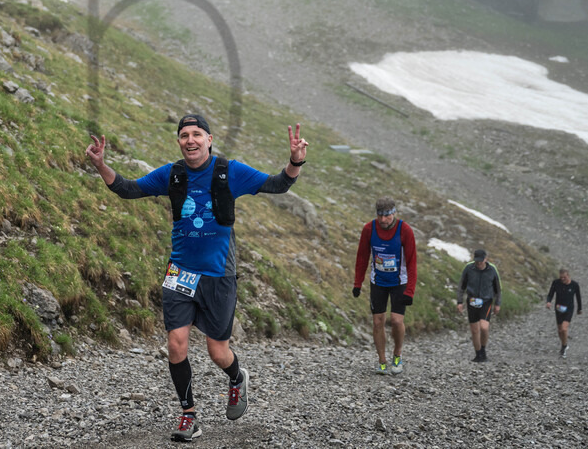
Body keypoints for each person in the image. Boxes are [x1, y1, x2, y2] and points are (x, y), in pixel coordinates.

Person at [86, 114, 308, 442]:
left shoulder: (229, 171)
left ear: (209, 139)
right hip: (180, 273)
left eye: (197, 134)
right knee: (176, 344)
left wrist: (295, 160)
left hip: (219, 275)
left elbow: (278, 184)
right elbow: (128, 189)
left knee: (218, 352)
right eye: (184, 135)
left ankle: (236, 377)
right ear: (179, 141)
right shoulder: (172, 175)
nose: (190, 140)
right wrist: (101, 164)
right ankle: (189, 415)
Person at [352, 196, 417, 375]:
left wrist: (410, 291)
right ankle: (382, 361)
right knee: (377, 321)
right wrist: (358, 283)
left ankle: (397, 354)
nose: (383, 220)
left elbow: (412, 263)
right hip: (378, 281)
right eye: (380, 215)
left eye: (387, 215)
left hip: (399, 282)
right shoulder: (369, 229)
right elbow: (362, 257)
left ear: (394, 213)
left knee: (396, 320)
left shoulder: (405, 230)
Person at [456, 248, 501, 362]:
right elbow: (462, 285)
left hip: (486, 301)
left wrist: (497, 304)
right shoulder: (469, 268)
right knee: (474, 330)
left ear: (486, 259)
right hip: (472, 301)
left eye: (481, 261)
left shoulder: (492, 270)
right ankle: (478, 354)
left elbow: (498, 288)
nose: (479, 263)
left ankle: (483, 350)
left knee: (484, 327)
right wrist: (459, 302)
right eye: (477, 261)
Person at [546, 268, 582, 358]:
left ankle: (564, 347)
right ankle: (564, 343)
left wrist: (579, 309)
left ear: (568, 276)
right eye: (561, 277)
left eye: (564, 277)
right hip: (559, 308)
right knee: (559, 330)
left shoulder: (574, 285)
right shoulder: (556, 283)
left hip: (569, 309)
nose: (562, 279)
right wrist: (548, 301)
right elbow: (550, 294)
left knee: (564, 328)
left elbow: (578, 297)